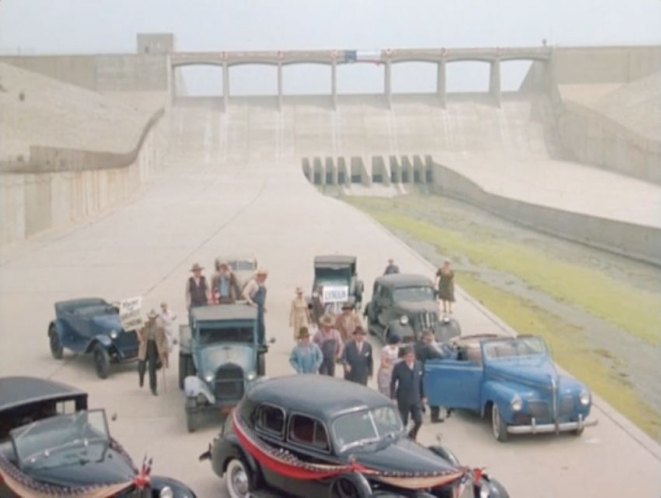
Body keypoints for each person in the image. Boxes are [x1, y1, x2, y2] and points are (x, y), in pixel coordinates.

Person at [390, 346, 426, 441]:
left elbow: (421, 381)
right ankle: (403, 439)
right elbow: (393, 382)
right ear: (404, 357)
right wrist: (393, 397)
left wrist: (423, 396)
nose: (410, 359)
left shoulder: (419, 365)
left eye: (411, 356)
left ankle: (412, 435)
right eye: (408, 356)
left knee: (418, 420)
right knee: (403, 421)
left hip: (415, 398)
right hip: (403, 398)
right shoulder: (398, 367)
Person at [415, 330, 447, 423]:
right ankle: (434, 416)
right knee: (432, 393)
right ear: (428, 338)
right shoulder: (427, 348)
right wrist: (434, 344)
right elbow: (441, 356)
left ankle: (420, 411)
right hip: (426, 372)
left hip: (416, 370)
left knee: (418, 392)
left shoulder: (417, 345)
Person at [137, 310, 168, 396]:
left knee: (152, 369)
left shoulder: (160, 327)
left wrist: (164, 350)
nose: (151, 319)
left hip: (154, 347)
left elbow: (163, 339)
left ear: (155, 318)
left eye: (153, 318)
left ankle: (153, 388)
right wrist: (138, 334)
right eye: (150, 318)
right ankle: (141, 377)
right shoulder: (145, 325)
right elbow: (140, 334)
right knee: (141, 366)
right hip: (145, 347)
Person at [243, 269, 268, 344]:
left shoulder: (262, 285)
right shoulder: (253, 283)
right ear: (258, 276)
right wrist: (251, 302)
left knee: (262, 326)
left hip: (260, 308)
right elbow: (245, 293)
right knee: (256, 325)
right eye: (262, 276)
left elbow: (262, 298)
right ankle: (256, 341)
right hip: (254, 308)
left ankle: (261, 341)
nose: (263, 278)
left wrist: (263, 306)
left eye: (264, 276)